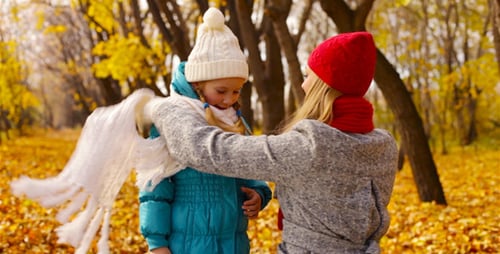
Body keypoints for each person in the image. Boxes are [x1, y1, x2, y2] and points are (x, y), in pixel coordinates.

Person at [145, 31, 399, 253]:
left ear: (324, 85)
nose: (303, 83)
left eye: (309, 75)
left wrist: (163, 109)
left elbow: (210, 151)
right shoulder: (384, 146)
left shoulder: (312, 145)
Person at [139, 7, 272, 254]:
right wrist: (157, 243)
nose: (229, 99)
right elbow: (154, 187)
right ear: (198, 84)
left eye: (236, 91)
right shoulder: (174, 119)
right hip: (186, 242)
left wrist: (259, 194)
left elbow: (248, 168)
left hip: (233, 242)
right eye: (221, 91)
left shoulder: (235, 121)